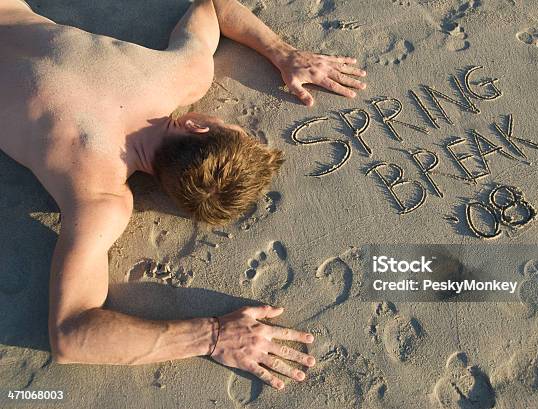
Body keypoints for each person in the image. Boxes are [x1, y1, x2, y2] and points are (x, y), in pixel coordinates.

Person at [0, 0, 367, 390]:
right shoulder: (98, 199)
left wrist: (286, 55)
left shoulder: (179, 74)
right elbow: (71, 333)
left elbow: (214, 6)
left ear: (196, 125)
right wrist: (212, 336)